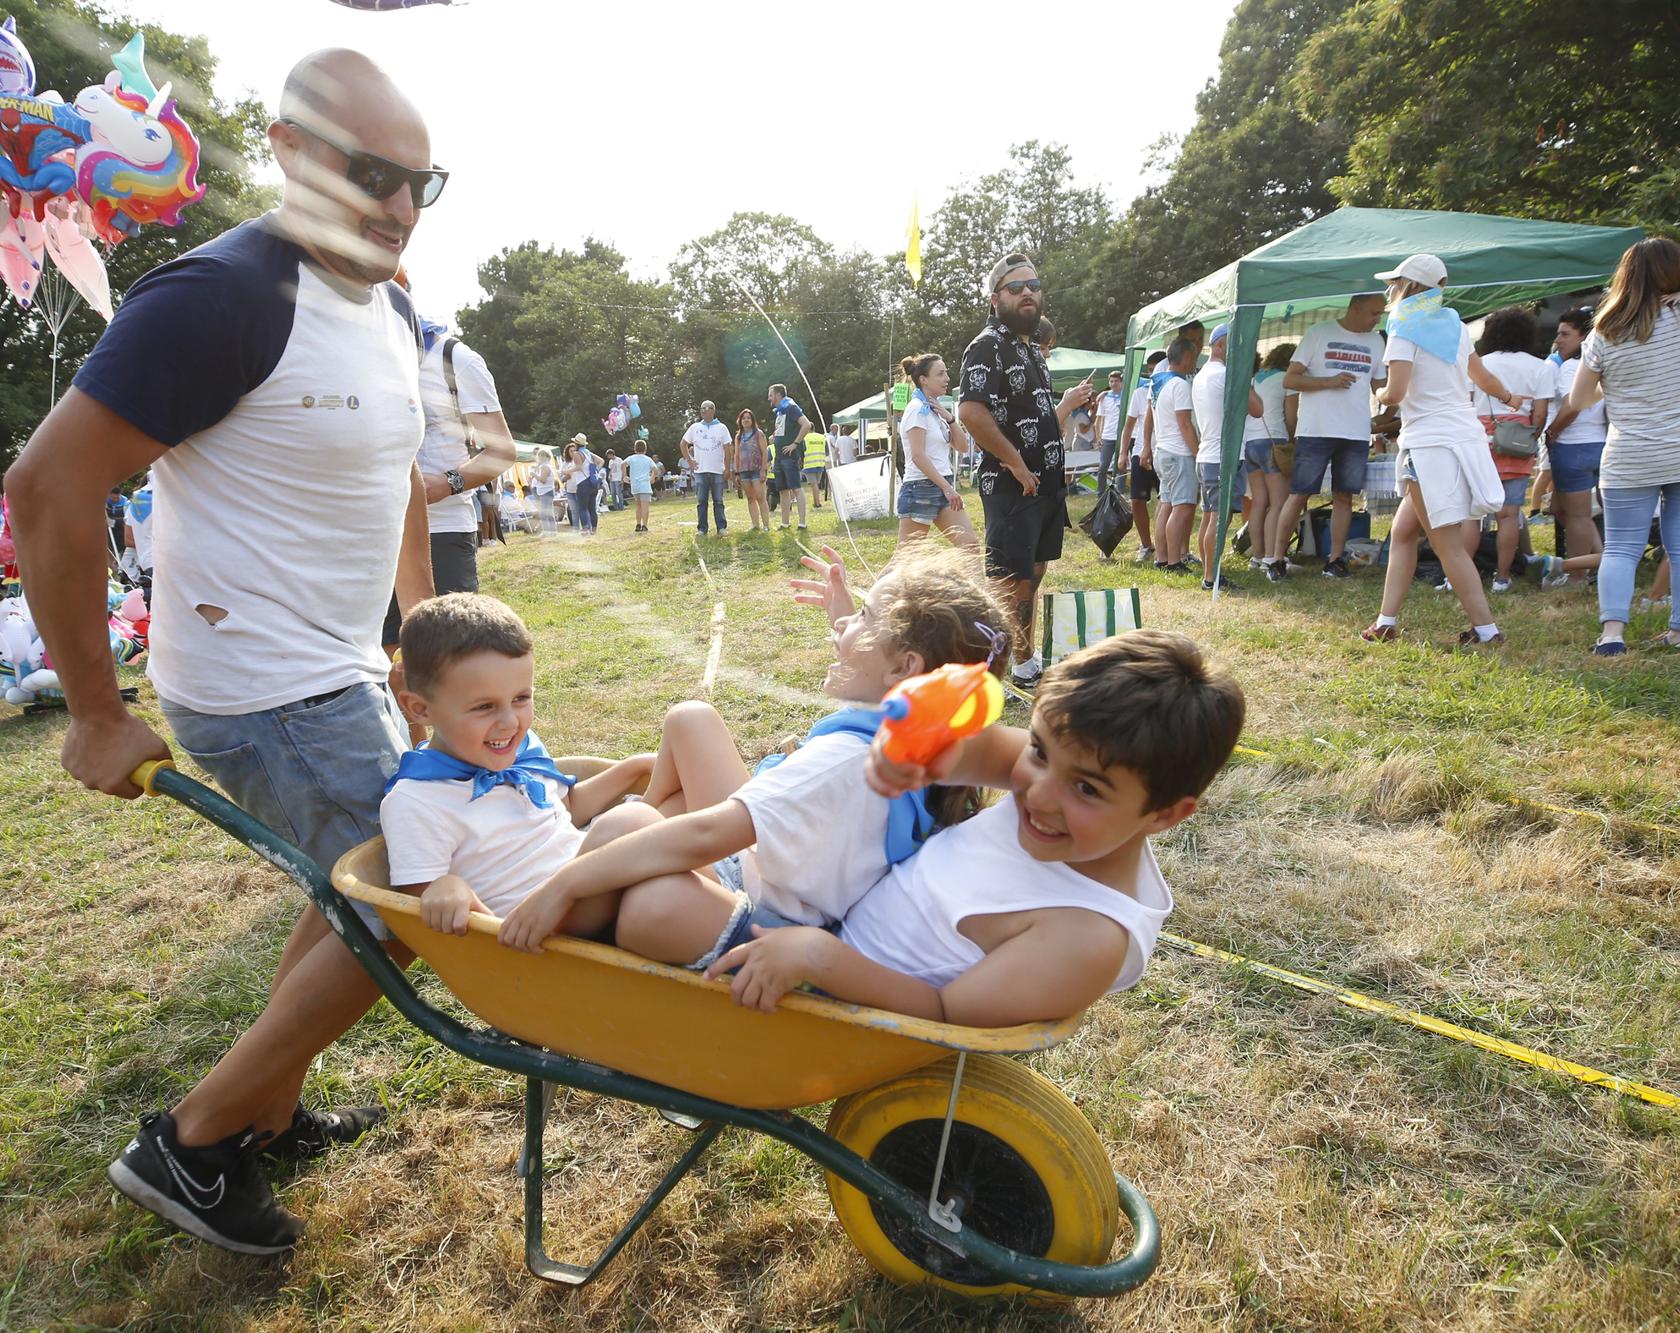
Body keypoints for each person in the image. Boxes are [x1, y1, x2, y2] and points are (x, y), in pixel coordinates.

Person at [6, 48, 444, 1255]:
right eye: (371, 173)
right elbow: (49, 487)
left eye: (421, 182)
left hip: (346, 667)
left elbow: (397, 473)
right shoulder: (222, 294)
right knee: (409, 885)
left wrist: (428, 641)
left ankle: (269, 1103)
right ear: (290, 149)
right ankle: (193, 1145)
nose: (399, 206)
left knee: (352, 881)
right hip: (259, 687)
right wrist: (94, 712)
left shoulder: (390, 302)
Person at [497, 547, 1012, 966]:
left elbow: (706, 835)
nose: (844, 625)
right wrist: (850, 623)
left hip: (765, 913)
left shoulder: (842, 762)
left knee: (626, 831)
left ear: (904, 666)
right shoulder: (918, 741)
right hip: (775, 874)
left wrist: (562, 885)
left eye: (864, 615)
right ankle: (630, 842)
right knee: (690, 719)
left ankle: (555, 938)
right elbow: (881, 676)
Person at [706, 630, 1240, 1024]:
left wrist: (816, 957)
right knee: (655, 814)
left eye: (1087, 789)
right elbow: (968, 750)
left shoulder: (1087, 935)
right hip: (819, 922)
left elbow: (942, 1016)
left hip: (834, 1004)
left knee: (653, 901)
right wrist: (915, 753)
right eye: (1038, 751)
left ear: (1166, 814)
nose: (1038, 792)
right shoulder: (1059, 780)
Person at [382, 594, 653, 934]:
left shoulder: (518, 753)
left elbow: (566, 809)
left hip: (585, 887)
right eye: (484, 707)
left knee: (686, 739)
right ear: (420, 710)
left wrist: (636, 767)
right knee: (630, 822)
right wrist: (445, 886)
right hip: (546, 925)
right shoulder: (416, 800)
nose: (510, 722)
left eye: (521, 698)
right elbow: (417, 900)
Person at [1360, 254, 1524, 648]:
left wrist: (1377, 392)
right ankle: (1385, 622)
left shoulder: (1401, 327)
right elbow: (1480, 376)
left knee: (1446, 544)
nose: (1388, 289)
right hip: (1459, 437)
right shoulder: (1454, 323)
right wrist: (1509, 396)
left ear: (1406, 285)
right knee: (1401, 534)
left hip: (1428, 445)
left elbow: (1395, 393)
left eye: (1394, 282)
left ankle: (1486, 630)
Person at [957, 253, 1094, 687]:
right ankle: (988, 671)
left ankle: (1023, 662)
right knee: (1008, 582)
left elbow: (1038, 422)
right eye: (1016, 288)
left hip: (1044, 486)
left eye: (1034, 285)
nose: (1028, 293)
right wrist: (1015, 462)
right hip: (1012, 486)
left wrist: (1067, 406)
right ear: (995, 297)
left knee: (1031, 578)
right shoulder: (987, 345)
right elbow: (970, 412)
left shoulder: (1030, 348)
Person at [1563, 236, 1680, 655]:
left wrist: (1614, 389)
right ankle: (1678, 631)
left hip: (1629, 454)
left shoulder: (1604, 332)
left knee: (1621, 546)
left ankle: (1612, 633)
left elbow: (1579, 401)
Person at [383, 317, 517, 646]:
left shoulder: (456, 360)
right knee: (383, 649)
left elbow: (502, 451)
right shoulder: (367, 352)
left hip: (443, 527)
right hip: (377, 529)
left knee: (449, 650)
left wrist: (447, 482)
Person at [1274, 294, 1387, 579]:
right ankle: (1276, 559)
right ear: (1355, 308)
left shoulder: (1376, 341)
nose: (1378, 319)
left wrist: (1396, 398)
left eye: (1381, 314)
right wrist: (1330, 382)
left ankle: (1335, 560)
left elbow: (1381, 385)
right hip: (1316, 429)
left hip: (1355, 431)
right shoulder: (1319, 333)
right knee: (1300, 494)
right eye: (1374, 313)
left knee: (1344, 496)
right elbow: (1290, 379)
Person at [1473, 307, 1556, 593]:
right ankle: (1502, 577)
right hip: (1519, 444)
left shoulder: (1479, 363)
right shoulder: (1541, 366)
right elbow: (1541, 414)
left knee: (1472, 514)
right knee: (1509, 514)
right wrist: (1529, 435)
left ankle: (1460, 573)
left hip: (1480, 442)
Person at [1192, 324, 1264, 593]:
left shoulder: (1202, 375)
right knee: (1219, 519)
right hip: (1223, 456)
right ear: (1221, 346)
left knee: (1211, 517)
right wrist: (1244, 374)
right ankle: (1212, 578)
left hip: (1208, 454)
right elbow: (1257, 409)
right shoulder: (1226, 375)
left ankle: (1209, 573)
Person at [1544, 306, 1608, 570]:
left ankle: (1577, 577)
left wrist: (1552, 431)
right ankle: (1603, 561)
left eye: (1565, 334)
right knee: (1560, 508)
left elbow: (1572, 405)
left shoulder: (1573, 366)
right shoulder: (1604, 363)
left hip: (1573, 445)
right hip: (1600, 442)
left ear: (1584, 337)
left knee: (1577, 516)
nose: (1558, 340)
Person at [894, 353, 978, 550]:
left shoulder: (935, 410)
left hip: (942, 485)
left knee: (969, 545)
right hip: (920, 488)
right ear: (923, 379)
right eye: (940, 374)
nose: (947, 378)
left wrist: (950, 418)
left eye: (946, 373)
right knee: (906, 559)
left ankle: (974, 583)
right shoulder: (916, 409)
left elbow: (963, 447)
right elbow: (918, 456)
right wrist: (947, 489)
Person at [1148, 338, 1201, 574]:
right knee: (1183, 507)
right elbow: (1185, 424)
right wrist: (1197, 453)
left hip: (1162, 450)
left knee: (1167, 505)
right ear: (1187, 357)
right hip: (1178, 453)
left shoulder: (1157, 382)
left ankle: (1162, 558)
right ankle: (1174, 561)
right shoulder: (1180, 385)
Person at [1250, 345, 1297, 580]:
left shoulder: (1254, 377)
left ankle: (1257, 556)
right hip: (1273, 441)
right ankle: (1272, 556)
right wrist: (1294, 440)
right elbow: (1290, 418)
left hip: (1249, 443)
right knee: (1279, 503)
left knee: (1259, 502)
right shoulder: (1286, 379)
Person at [1122, 351, 1166, 563]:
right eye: (1150, 371)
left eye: (1156, 370)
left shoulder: (1174, 388)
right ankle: (1146, 544)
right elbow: (1129, 426)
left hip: (1165, 452)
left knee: (1166, 501)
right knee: (1137, 501)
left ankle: (1165, 545)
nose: (1153, 375)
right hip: (1140, 452)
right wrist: (1122, 453)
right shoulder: (1140, 393)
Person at [681, 400, 731, 536]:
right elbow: (683, 444)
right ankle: (702, 529)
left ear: (713, 410)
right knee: (701, 501)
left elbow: (728, 449)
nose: (704, 410)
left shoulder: (722, 427)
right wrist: (690, 461)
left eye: (707, 408)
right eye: (702, 408)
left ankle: (721, 528)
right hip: (700, 471)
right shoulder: (694, 427)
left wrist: (727, 468)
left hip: (717, 471)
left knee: (718, 501)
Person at [767, 383, 810, 530]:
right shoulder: (780, 411)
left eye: (771, 395)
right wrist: (774, 436)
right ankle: (785, 523)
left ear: (778, 395)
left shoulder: (791, 407)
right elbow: (783, 429)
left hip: (790, 456)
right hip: (779, 456)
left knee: (796, 488)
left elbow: (806, 425)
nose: (769, 398)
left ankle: (802, 523)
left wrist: (795, 444)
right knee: (783, 490)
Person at [731, 408, 769, 531]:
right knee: (750, 498)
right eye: (744, 418)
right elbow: (736, 455)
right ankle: (755, 525)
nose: (746, 420)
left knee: (760, 497)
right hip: (744, 471)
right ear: (740, 420)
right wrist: (737, 473)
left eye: (748, 418)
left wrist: (763, 470)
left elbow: (764, 452)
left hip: (757, 470)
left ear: (752, 420)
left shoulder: (759, 434)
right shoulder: (738, 436)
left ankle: (766, 525)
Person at [1094, 369, 1125, 479]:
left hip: (1122, 436)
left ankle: (1120, 491)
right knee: (1103, 466)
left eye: (1116, 381)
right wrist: (1098, 436)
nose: (1114, 384)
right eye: (1111, 381)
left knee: (1121, 465)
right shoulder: (1105, 398)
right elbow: (1098, 419)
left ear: (1121, 382)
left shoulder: (1127, 396)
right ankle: (1100, 493)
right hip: (1108, 436)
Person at [627, 439, 656, 532]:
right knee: (645, 507)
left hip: (635, 485)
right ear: (645, 450)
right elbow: (655, 469)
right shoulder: (648, 459)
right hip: (645, 485)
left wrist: (624, 476)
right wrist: (652, 477)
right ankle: (644, 525)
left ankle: (638, 524)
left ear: (635, 449)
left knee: (638, 506)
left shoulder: (631, 458)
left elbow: (623, 464)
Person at [527, 451, 559, 534]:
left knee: (545, 513)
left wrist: (534, 475)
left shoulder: (545, 467)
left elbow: (543, 480)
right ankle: (552, 531)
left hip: (546, 491)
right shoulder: (546, 466)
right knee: (549, 512)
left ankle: (547, 531)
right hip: (546, 491)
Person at [802, 424, 829, 509]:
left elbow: (801, 451)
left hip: (809, 463)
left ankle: (817, 504)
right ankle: (816, 502)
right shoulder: (822, 437)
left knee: (814, 485)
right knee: (816, 484)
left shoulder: (804, 438)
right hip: (820, 463)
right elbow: (827, 451)